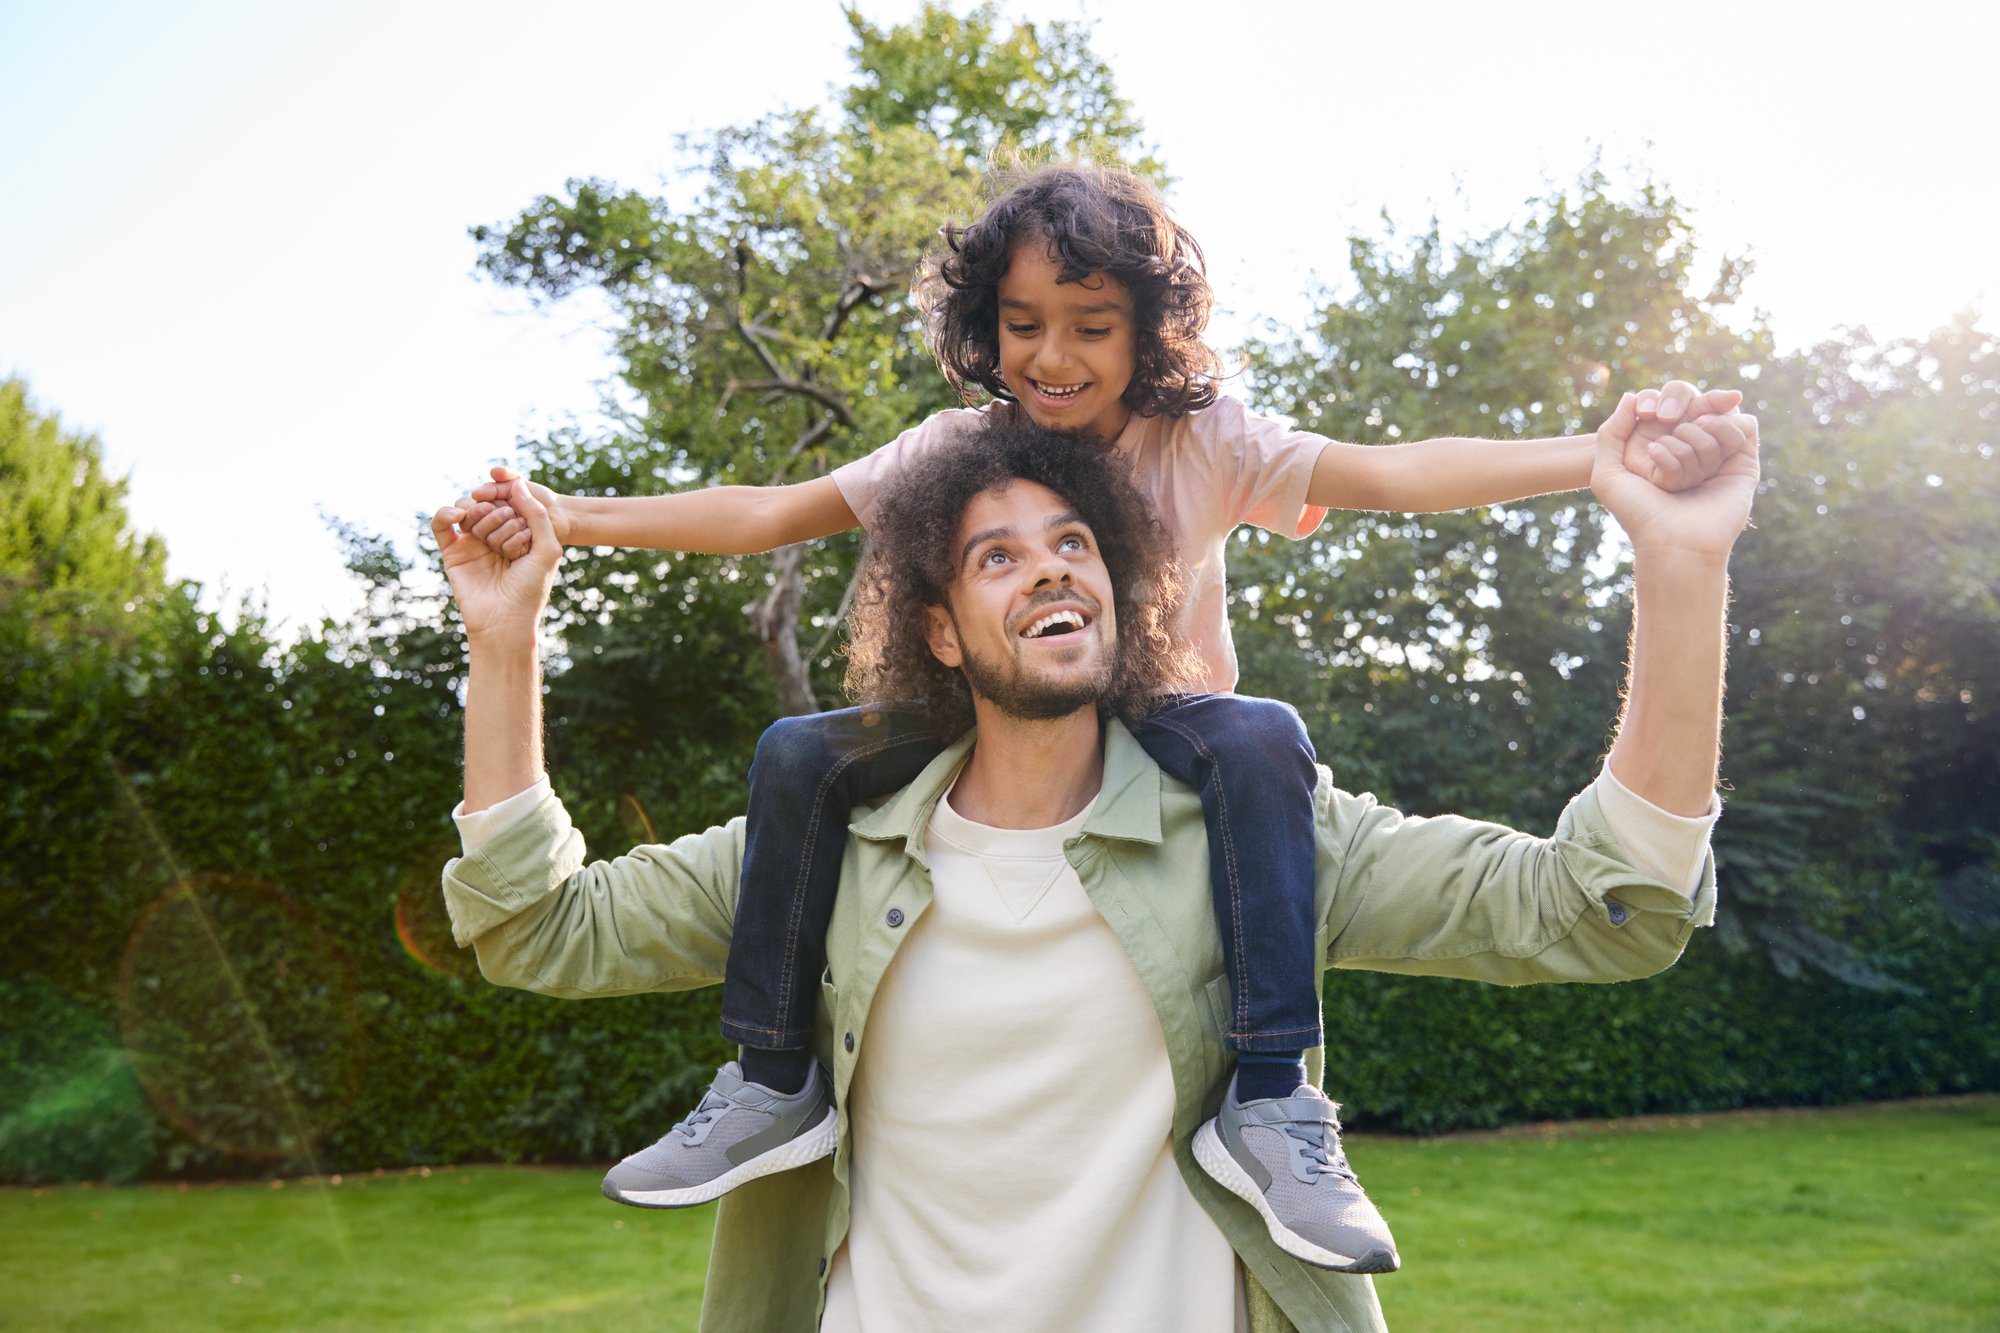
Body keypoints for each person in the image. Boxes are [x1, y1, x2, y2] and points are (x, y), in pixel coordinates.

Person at [449, 161, 1743, 1268]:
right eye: (1022, 326)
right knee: (799, 748)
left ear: (1146, 333)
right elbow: (760, 514)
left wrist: (1597, 467)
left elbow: (1395, 475)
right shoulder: (949, 473)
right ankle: (776, 1073)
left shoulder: (1206, 451)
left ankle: (1270, 1096)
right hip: (968, 740)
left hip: (1184, 736)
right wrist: (568, 528)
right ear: (941, 611)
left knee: (1258, 737)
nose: (1051, 360)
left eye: (1089, 326)